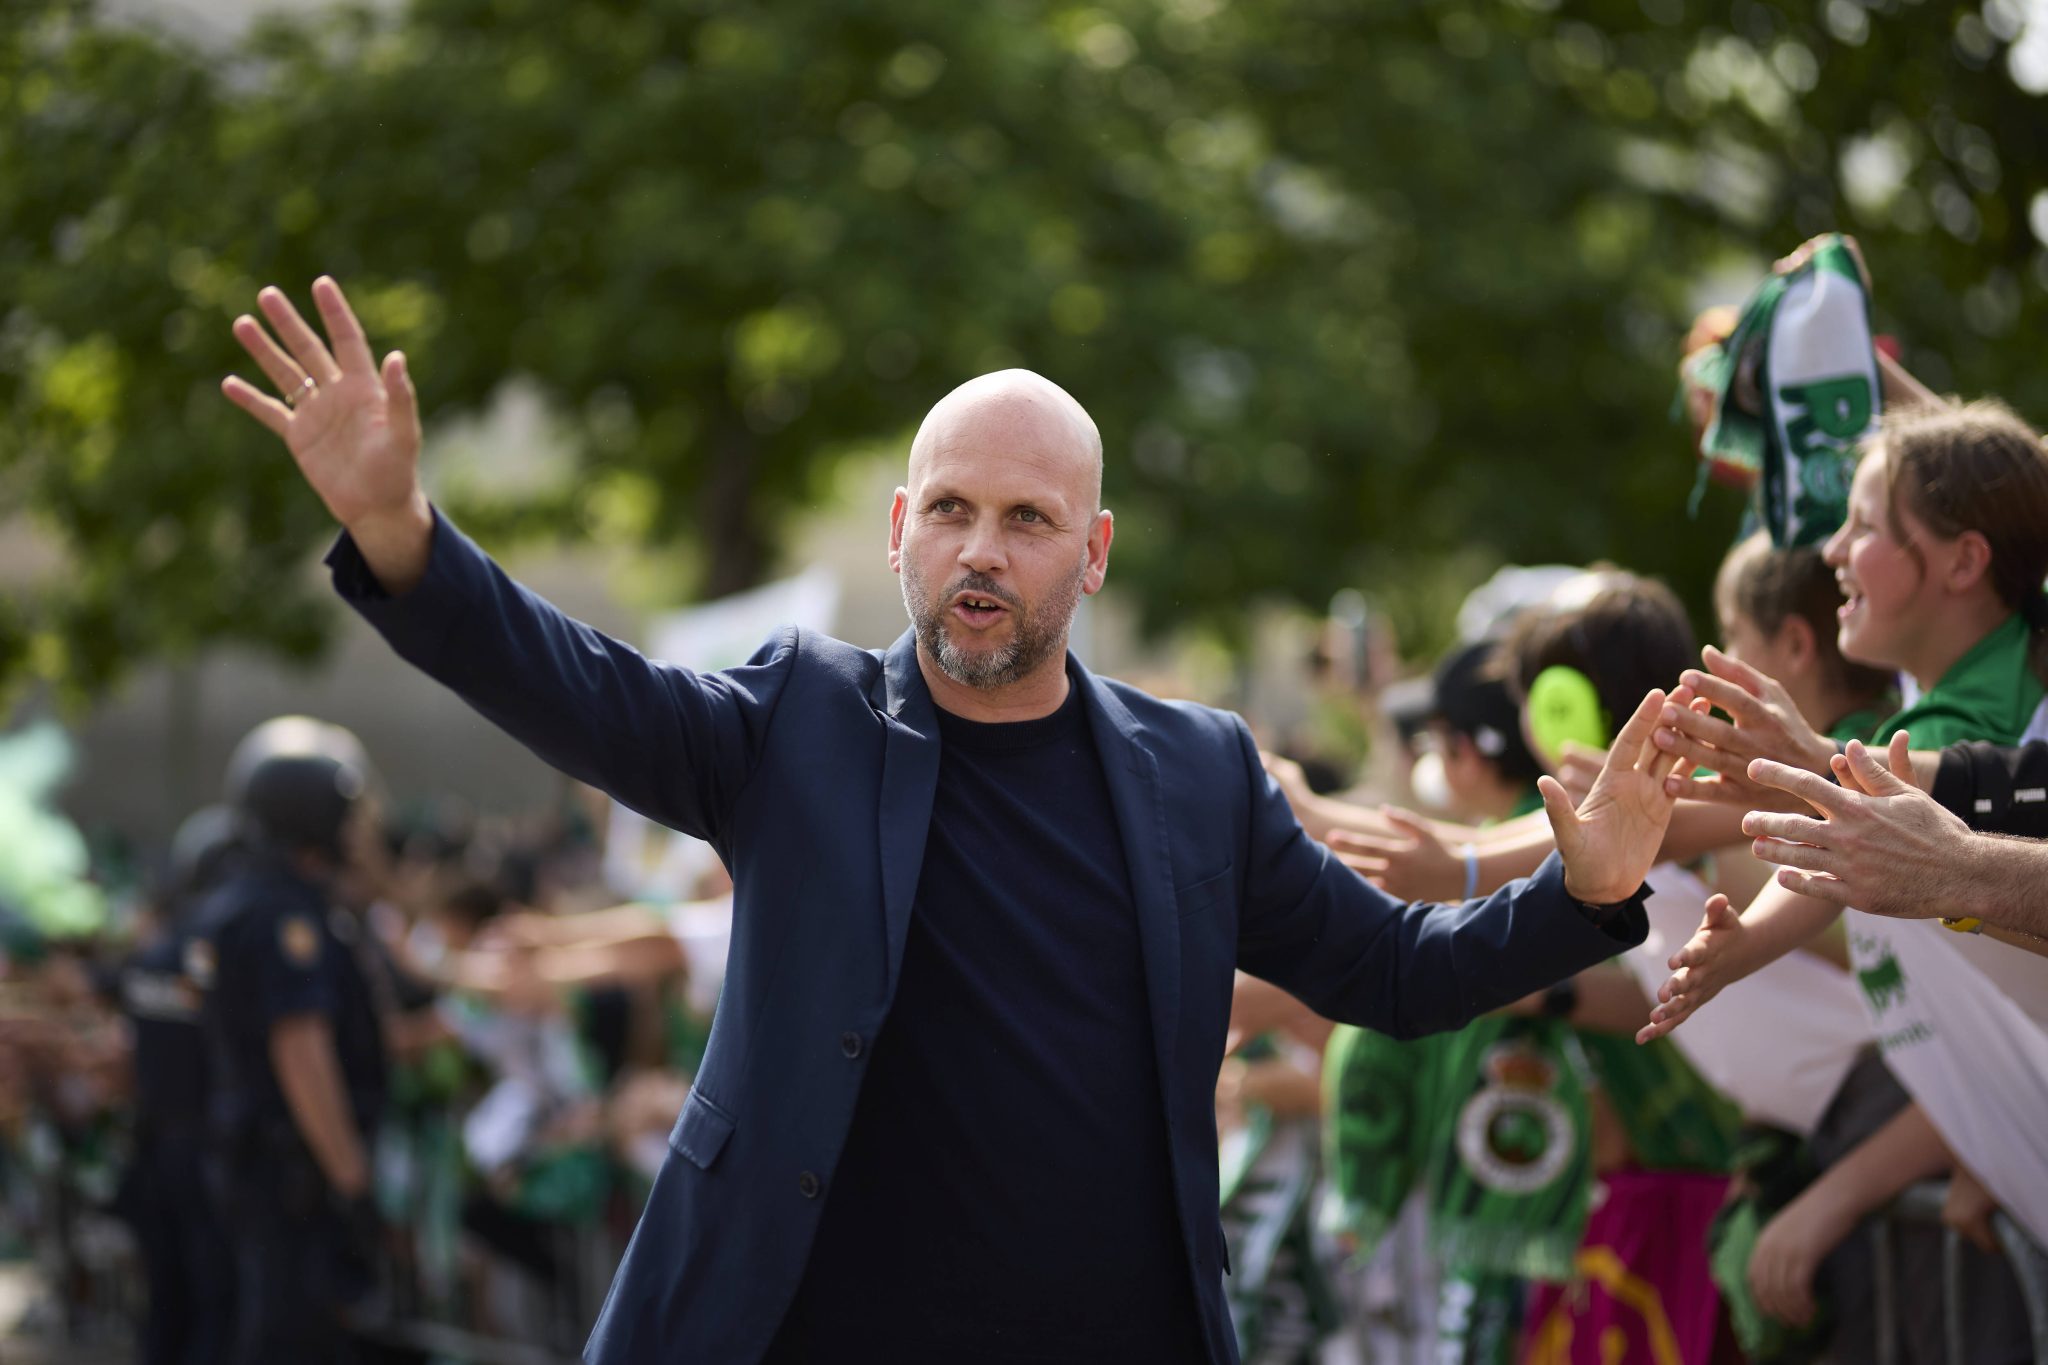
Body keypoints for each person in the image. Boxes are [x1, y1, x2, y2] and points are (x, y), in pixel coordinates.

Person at [222, 277, 1685, 1364]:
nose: (982, 552)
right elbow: (575, 686)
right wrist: (403, 535)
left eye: (1029, 520)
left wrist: (1580, 891)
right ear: (900, 529)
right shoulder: (791, 721)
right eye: (952, 511)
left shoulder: (1200, 771)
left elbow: (1391, 970)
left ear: (1094, 551)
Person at [188, 716, 391, 1365]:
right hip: (293, 1173)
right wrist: (351, 1177)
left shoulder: (242, 899)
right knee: (291, 1336)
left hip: (262, 1162)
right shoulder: (286, 915)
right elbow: (301, 1051)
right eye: (346, 811)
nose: (359, 829)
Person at [115, 805, 243, 1365]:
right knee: (217, 1302)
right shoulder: (214, 956)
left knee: (169, 1302)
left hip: (159, 1146)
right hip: (210, 1152)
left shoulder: (154, 956)